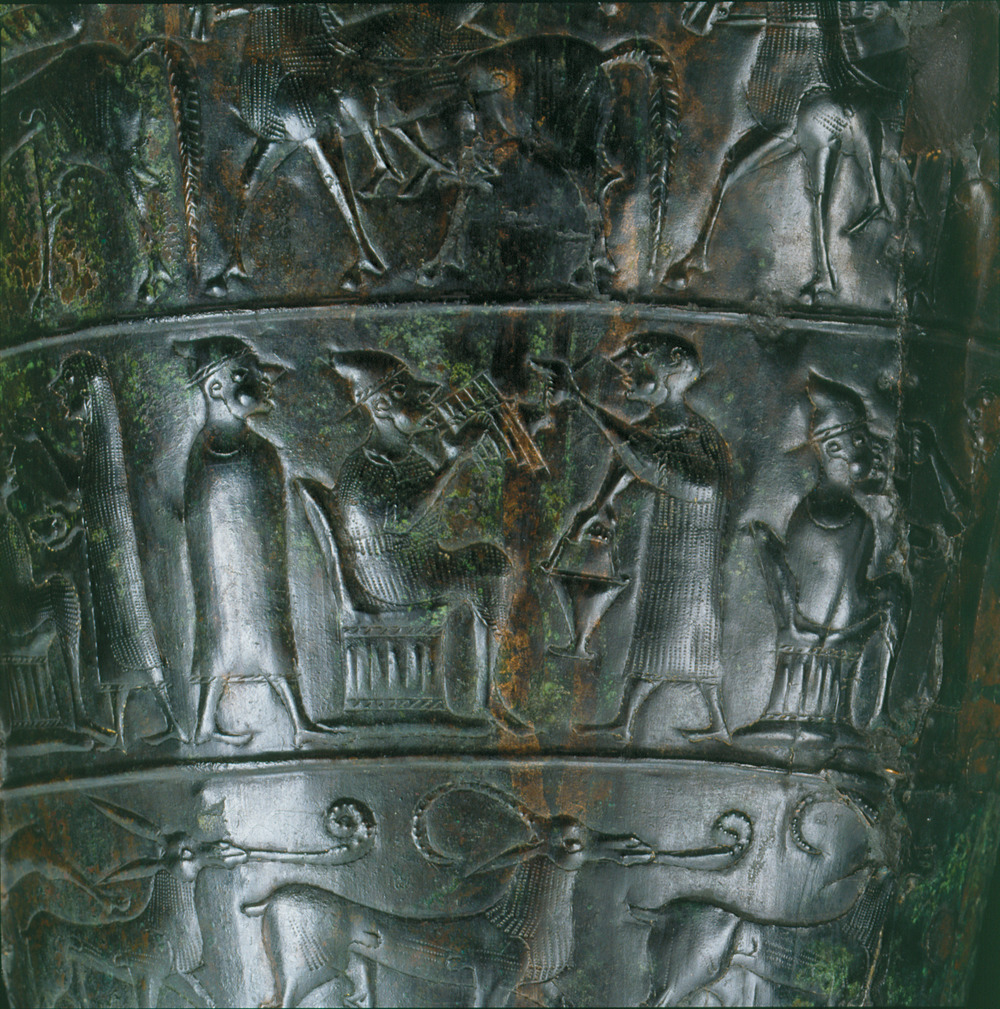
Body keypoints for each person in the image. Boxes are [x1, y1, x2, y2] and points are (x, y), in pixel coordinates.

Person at [538, 332, 732, 741]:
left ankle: (715, 721)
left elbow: (653, 463)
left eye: (638, 358)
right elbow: (628, 460)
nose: (624, 369)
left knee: (692, 632)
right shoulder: (654, 428)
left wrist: (580, 399)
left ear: (673, 366)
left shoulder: (698, 436)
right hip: (667, 545)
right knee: (657, 633)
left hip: (694, 553)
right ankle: (627, 722)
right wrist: (597, 506)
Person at [316, 348, 521, 728]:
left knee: (491, 561)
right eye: (411, 397)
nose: (426, 403)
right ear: (382, 408)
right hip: (391, 576)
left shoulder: (408, 458)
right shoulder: (362, 470)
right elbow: (403, 520)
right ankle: (487, 697)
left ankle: (488, 693)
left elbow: (430, 515)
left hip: (416, 561)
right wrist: (453, 461)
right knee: (490, 572)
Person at [176, 335, 335, 747]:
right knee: (217, 642)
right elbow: (199, 526)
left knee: (272, 638)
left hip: (262, 573)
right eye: (246, 375)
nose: (263, 382)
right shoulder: (204, 455)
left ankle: (299, 721)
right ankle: (206, 723)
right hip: (221, 578)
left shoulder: (262, 451)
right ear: (216, 389)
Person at [739, 372, 908, 746]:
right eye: (858, 440)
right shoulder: (827, 514)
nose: (869, 447)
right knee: (896, 595)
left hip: (829, 631)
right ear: (833, 449)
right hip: (816, 634)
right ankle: (875, 711)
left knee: (896, 594)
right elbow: (820, 595)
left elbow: (846, 590)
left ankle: (878, 710)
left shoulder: (848, 515)